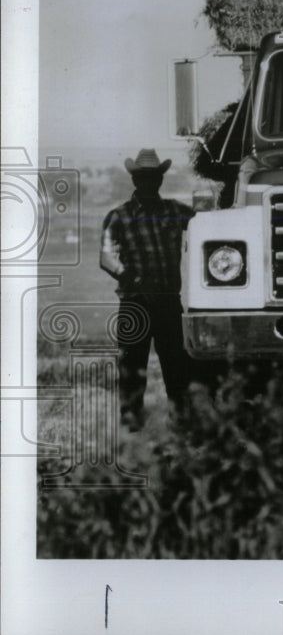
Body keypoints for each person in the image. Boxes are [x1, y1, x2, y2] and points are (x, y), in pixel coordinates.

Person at [100, 149, 195, 429]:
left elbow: (208, 226)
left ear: (160, 179)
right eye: (143, 177)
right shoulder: (118, 216)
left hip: (168, 302)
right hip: (134, 302)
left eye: (154, 177)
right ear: (135, 180)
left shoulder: (177, 211)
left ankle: (181, 424)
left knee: (177, 367)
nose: (149, 183)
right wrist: (135, 280)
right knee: (131, 369)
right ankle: (132, 426)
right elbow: (105, 258)